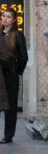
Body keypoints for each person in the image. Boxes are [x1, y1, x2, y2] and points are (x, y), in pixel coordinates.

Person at [0, 8, 28, 144]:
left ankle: (8, 135)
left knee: (10, 107)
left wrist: (17, 71)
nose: (5, 19)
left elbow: (24, 57)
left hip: (10, 75)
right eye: (3, 16)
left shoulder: (17, 35)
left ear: (14, 19)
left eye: (8, 17)